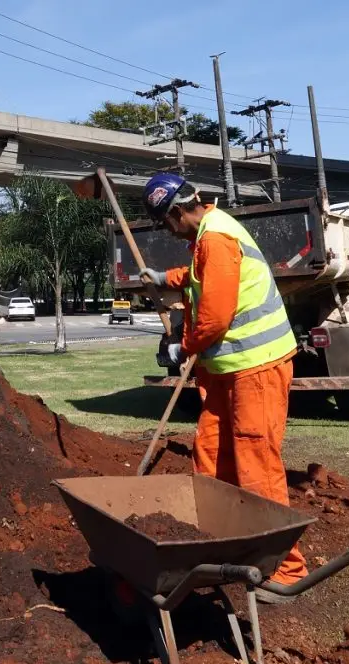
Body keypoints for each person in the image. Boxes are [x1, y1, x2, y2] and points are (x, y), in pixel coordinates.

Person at [139, 172, 307, 603]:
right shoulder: (207, 234)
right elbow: (200, 276)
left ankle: (285, 569)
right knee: (210, 455)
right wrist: (164, 278)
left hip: (256, 368)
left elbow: (213, 316)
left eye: (164, 223)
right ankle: (216, 545)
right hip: (225, 373)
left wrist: (182, 347)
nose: (167, 231)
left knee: (255, 465)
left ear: (177, 211)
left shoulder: (216, 237)